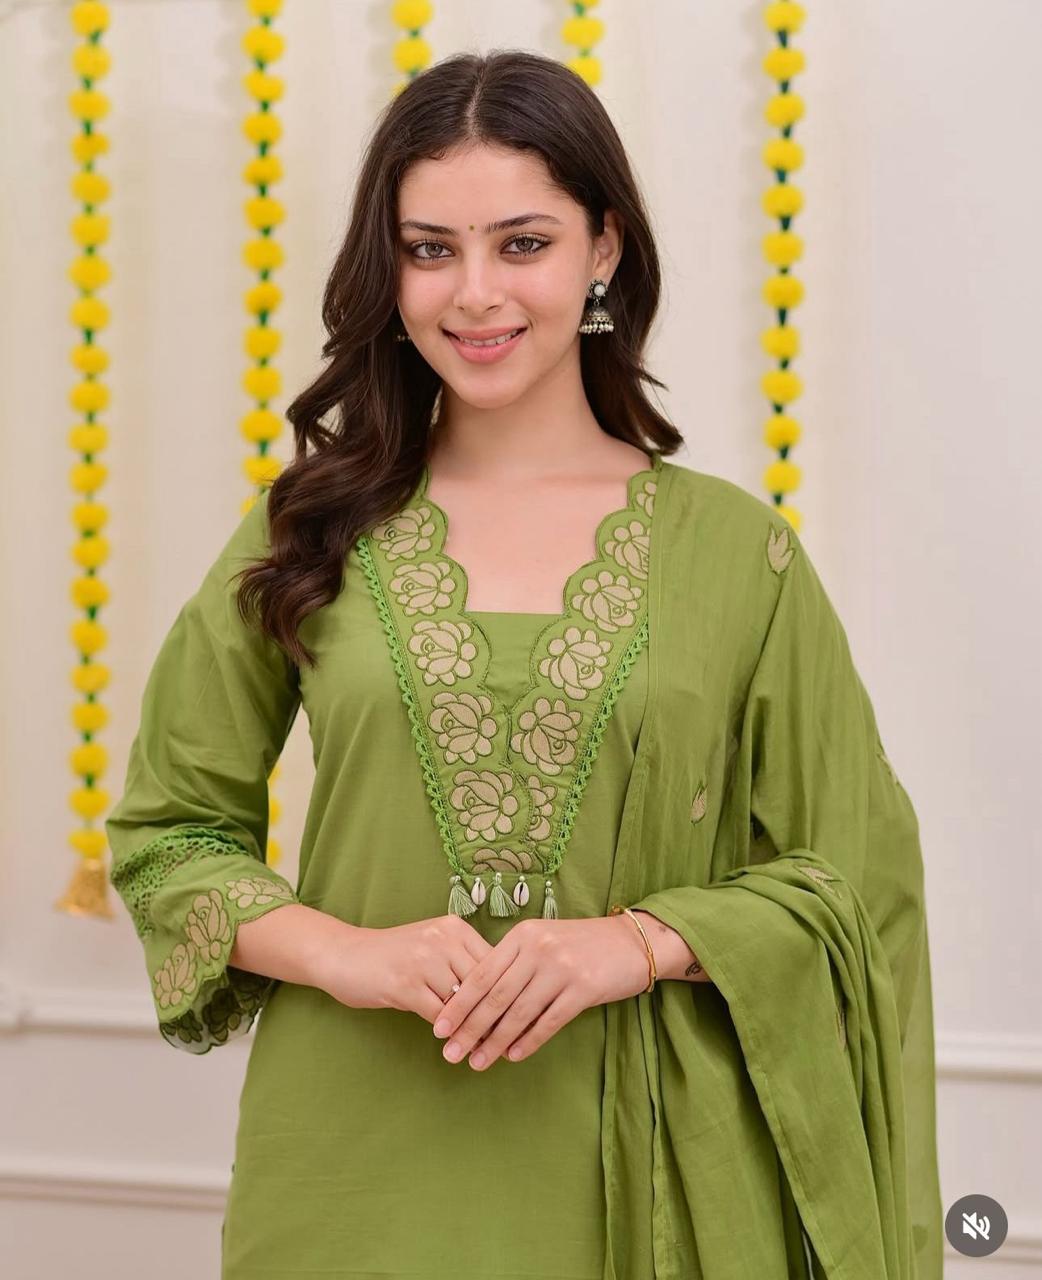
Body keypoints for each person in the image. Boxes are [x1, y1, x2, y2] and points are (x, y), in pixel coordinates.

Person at [105, 49, 942, 1280]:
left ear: (603, 248)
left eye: (523, 243)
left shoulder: (735, 553)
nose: (474, 293)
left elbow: (857, 875)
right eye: (429, 248)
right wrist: (351, 952)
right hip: (345, 1165)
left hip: (636, 1174)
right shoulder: (309, 528)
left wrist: (641, 939)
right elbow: (168, 834)